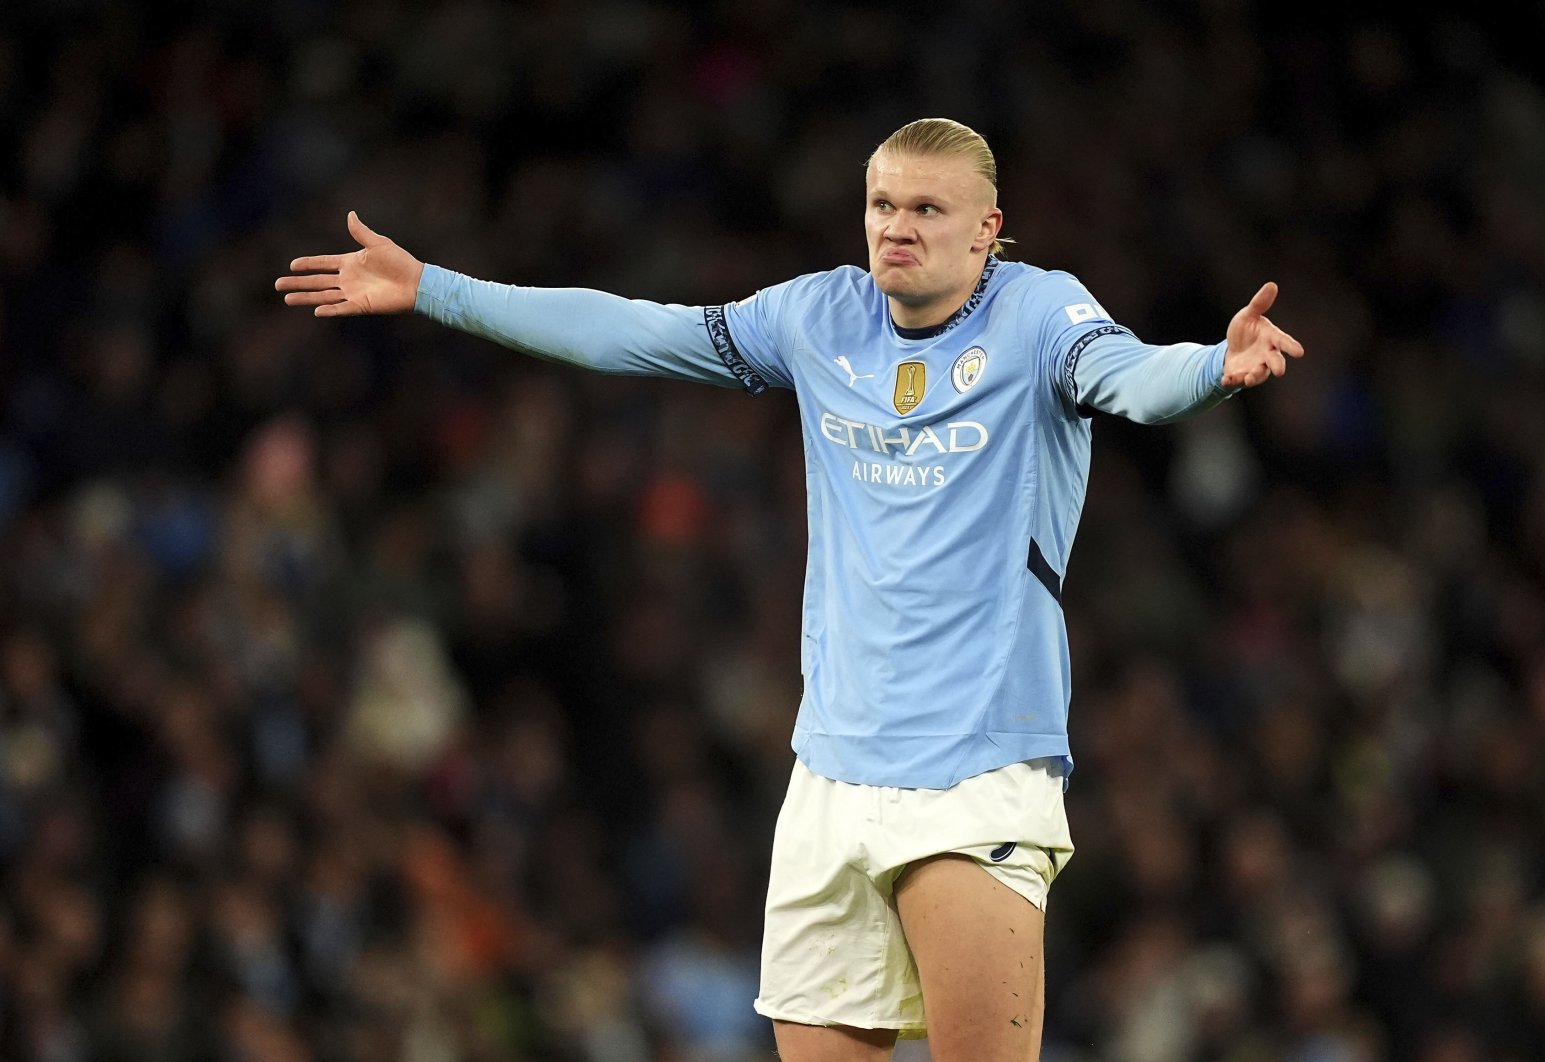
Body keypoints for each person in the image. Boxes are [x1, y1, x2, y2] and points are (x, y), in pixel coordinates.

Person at [276, 117, 1303, 1061]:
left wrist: (1215, 364)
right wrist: (436, 290)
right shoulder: (818, 317)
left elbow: (1129, 377)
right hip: (828, 782)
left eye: (927, 210)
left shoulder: (1040, 315)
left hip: (972, 773)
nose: (896, 229)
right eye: (882, 206)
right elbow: (633, 330)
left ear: (989, 229)